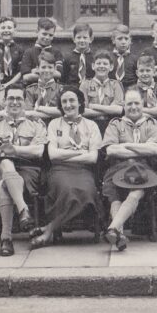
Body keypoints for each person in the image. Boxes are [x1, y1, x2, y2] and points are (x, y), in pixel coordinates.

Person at [31, 86, 102, 249]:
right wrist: (81, 152)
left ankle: (48, 229)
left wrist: (66, 153)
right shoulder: (54, 124)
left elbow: (93, 158)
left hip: (84, 171)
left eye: (72, 100)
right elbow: (53, 155)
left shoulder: (91, 125)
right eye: (64, 101)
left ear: (80, 102)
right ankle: (49, 231)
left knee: (87, 193)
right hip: (59, 170)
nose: (68, 105)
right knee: (68, 191)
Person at [0, 85, 47, 257]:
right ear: (4, 101)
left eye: (19, 98)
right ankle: (23, 209)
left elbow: (38, 151)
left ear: (25, 101)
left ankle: (6, 239)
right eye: (11, 98)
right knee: (5, 162)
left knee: (4, 186)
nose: (14, 102)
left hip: (28, 169)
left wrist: (12, 149)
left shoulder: (36, 123)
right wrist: (22, 151)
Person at [101, 88, 157, 250]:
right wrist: (141, 148)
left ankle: (113, 229)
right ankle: (118, 233)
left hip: (143, 170)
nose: (133, 107)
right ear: (124, 105)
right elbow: (111, 150)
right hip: (117, 169)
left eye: (136, 103)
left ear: (142, 104)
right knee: (114, 196)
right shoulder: (115, 124)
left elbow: (155, 149)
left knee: (136, 192)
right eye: (129, 104)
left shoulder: (151, 123)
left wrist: (126, 145)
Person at [80, 50, 125, 127]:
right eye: (98, 63)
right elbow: (82, 111)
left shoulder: (116, 85)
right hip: (89, 124)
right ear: (93, 66)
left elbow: (118, 110)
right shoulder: (85, 85)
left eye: (105, 64)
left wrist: (93, 106)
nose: (101, 66)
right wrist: (108, 110)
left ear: (111, 67)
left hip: (111, 125)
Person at [19, 18, 63, 85]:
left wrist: (37, 71)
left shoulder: (57, 52)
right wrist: (51, 72)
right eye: (44, 34)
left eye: (50, 35)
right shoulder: (28, 52)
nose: (47, 37)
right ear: (37, 32)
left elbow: (59, 74)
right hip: (33, 86)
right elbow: (26, 77)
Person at [0, 16, 24, 87]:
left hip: (15, 85)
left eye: (9, 28)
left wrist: (8, 84)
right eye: (3, 28)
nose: (6, 30)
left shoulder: (20, 49)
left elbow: (21, 71)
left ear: (15, 30)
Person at [129, 56, 157, 122]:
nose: (145, 74)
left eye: (148, 70)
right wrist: (154, 112)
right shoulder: (132, 89)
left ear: (154, 72)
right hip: (138, 124)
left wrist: (140, 110)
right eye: (141, 71)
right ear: (137, 73)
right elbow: (130, 111)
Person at [25, 50, 62, 120]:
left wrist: (39, 108)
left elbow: (63, 112)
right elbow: (28, 113)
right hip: (35, 124)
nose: (47, 70)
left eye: (50, 67)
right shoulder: (30, 90)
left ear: (55, 69)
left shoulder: (61, 90)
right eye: (43, 67)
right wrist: (52, 112)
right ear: (37, 69)